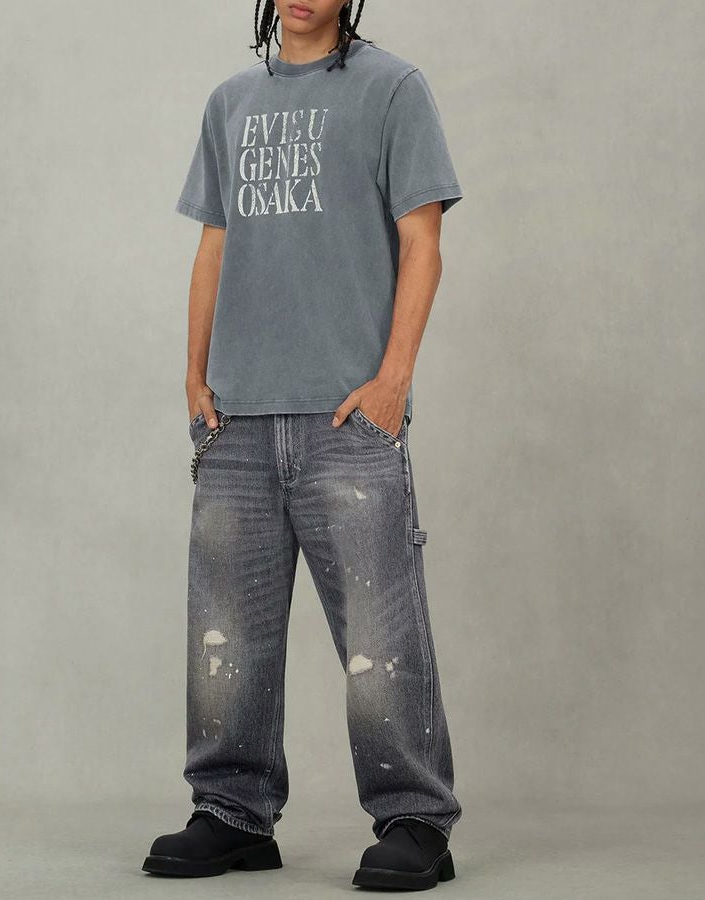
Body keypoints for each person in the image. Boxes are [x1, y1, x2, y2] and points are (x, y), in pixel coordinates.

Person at [142, 0, 464, 890]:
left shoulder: (393, 89)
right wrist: (195, 376)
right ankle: (230, 812)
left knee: (381, 635)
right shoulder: (231, 101)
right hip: (236, 419)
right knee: (228, 634)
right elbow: (214, 243)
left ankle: (416, 819)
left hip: (346, 418)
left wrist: (393, 380)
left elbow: (423, 241)